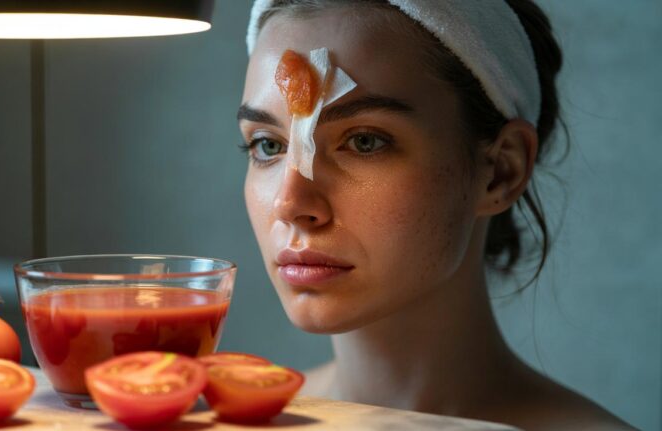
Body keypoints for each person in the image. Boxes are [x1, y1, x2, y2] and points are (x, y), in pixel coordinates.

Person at [237, 1, 635, 430]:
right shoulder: (225, 422)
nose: (291, 204)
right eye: (268, 145)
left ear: (502, 171)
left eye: (365, 142)